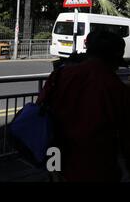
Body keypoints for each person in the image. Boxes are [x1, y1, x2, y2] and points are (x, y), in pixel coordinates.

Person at [38, 30, 130, 182]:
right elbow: (126, 135)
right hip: (96, 167)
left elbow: (41, 109)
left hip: (55, 156)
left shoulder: (60, 75)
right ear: (113, 59)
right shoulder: (117, 88)